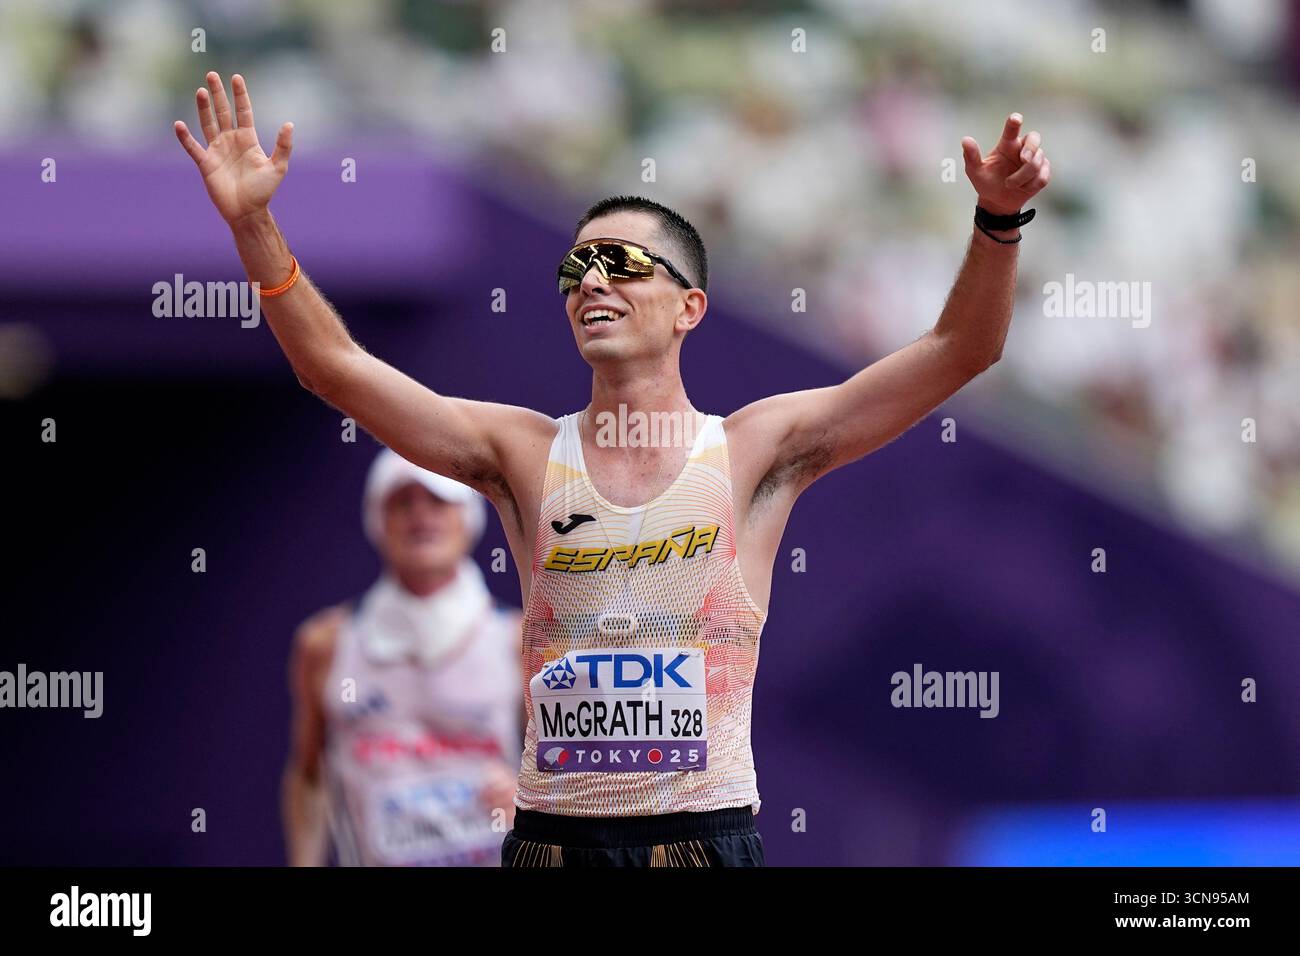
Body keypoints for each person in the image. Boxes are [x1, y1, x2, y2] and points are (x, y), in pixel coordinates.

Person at [178, 72, 1051, 867]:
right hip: (552, 844)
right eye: (574, 268)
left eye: (623, 263)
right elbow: (332, 368)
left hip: (698, 842)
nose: (591, 279)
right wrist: (253, 223)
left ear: (690, 307)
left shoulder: (754, 449)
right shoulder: (521, 453)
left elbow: (961, 348)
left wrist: (999, 221)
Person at [281, 448, 522, 866]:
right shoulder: (325, 644)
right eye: (403, 502)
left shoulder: (520, 640)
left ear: (468, 518)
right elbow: (308, 776)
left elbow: (564, 776)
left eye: (437, 501)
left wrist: (533, 808)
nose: (420, 516)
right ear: (378, 520)